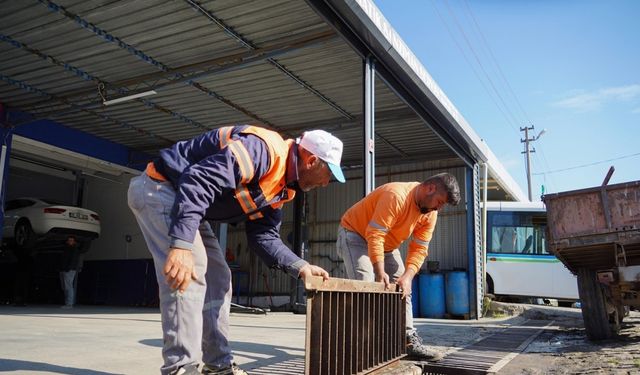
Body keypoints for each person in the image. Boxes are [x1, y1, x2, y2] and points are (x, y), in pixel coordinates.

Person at [128, 125, 345, 375]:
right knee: (191, 272)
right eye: (328, 173)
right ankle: (180, 367)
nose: (327, 183)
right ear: (312, 160)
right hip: (160, 189)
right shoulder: (263, 150)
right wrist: (181, 244)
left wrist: (301, 267)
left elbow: (263, 236)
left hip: (188, 203)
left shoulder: (282, 188)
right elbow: (199, 179)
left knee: (219, 278)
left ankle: (218, 365)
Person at [336, 173, 461, 361]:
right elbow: (375, 234)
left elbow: (419, 249)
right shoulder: (396, 195)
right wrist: (379, 271)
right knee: (365, 283)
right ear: (430, 188)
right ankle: (360, 346)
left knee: (403, 287)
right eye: (440, 202)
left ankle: (407, 341)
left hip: (387, 245)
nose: (439, 208)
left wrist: (408, 277)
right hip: (355, 234)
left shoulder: (430, 214)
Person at [59, 235, 88, 308]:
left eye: (71, 240)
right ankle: (67, 303)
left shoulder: (74, 249)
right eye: (69, 240)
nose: (70, 241)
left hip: (70, 270)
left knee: (68, 286)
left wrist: (68, 268)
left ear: (74, 242)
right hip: (64, 269)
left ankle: (69, 304)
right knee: (65, 287)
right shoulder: (66, 248)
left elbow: (73, 260)